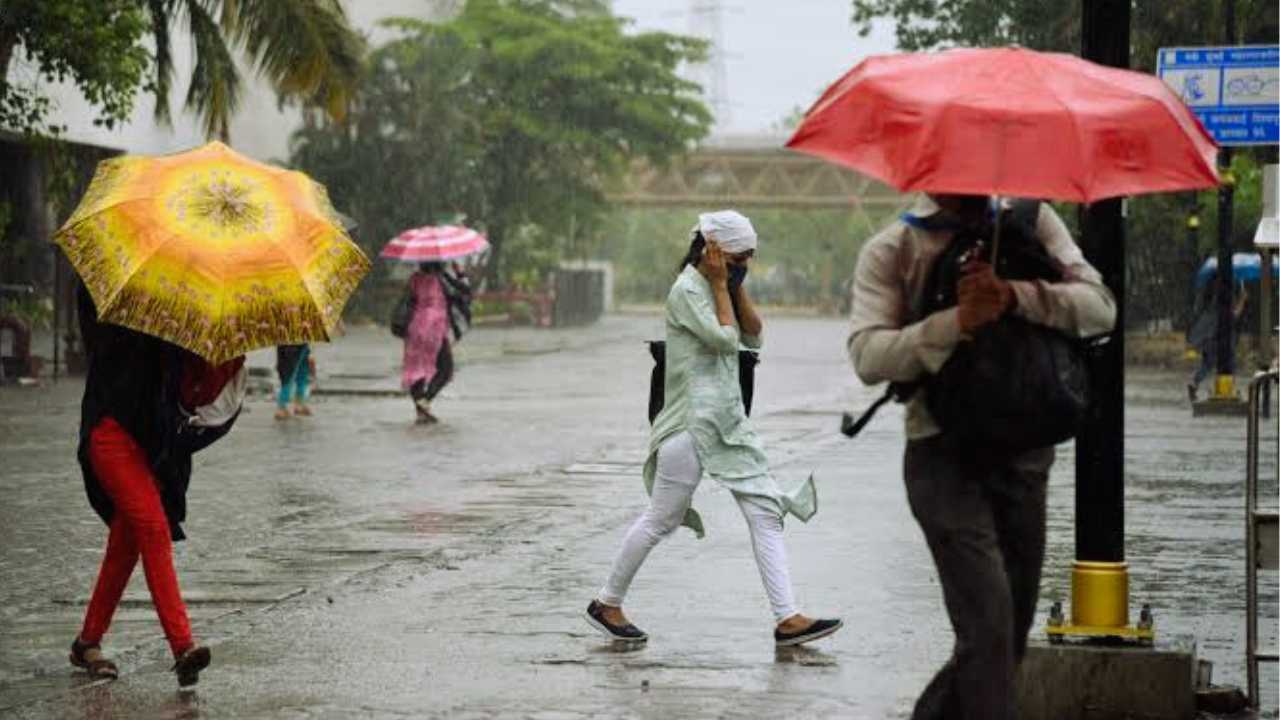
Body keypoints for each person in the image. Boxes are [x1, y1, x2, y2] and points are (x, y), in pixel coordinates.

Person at [848, 195, 1116, 719]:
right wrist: (956, 322)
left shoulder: (1034, 222)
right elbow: (867, 356)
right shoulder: (896, 247)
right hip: (941, 456)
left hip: (1025, 451)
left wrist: (1014, 296)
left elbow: (1100, 307)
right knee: (989, 627)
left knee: (1005, 635)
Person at [586, 210, 842, 647]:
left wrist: (733, 286)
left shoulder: (722, 287)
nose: (746, 265)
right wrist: (722, 286)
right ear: (713, 251)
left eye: (750, 258)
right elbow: (724, 341)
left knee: (765, 511)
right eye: (740, 258)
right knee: (662, 519)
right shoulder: (687, 290)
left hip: (727, 423)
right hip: (691, 424)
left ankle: (787, 618)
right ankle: (607, 603)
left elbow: (753, 336)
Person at [71, 282, 246, 687]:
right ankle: (183, 646)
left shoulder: (180, 308)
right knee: (152, 528)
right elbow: (97, 327)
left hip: (154, 449)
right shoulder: (112, 297)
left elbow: (194, 388)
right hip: (110, 432)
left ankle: (87, 643)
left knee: (125, 546)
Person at [401, 262, 455, 424]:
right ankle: (425, 401)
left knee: (415, 369)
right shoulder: (443, 280)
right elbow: (463, 294)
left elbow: (409, 302)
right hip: (434, 328)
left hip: (415, 328)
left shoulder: (414, 279)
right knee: (446, 369)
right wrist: (460, 274)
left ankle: (421, 412)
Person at [1186, 276, 1247, 402]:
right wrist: (1242, 299)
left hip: (1208, 342)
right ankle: (1226, 390)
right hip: (1219, 343)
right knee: (1229, 364)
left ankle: (1195, 383)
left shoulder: (1213, 308)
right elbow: (1234, 316)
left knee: (1207, 365)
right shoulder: (1224, 308)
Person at [274, 343, 312, 420]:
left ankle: (298, 403)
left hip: (296, 345)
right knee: (289, 376)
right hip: (293, 346)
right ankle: (282, 407)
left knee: (301, 373)